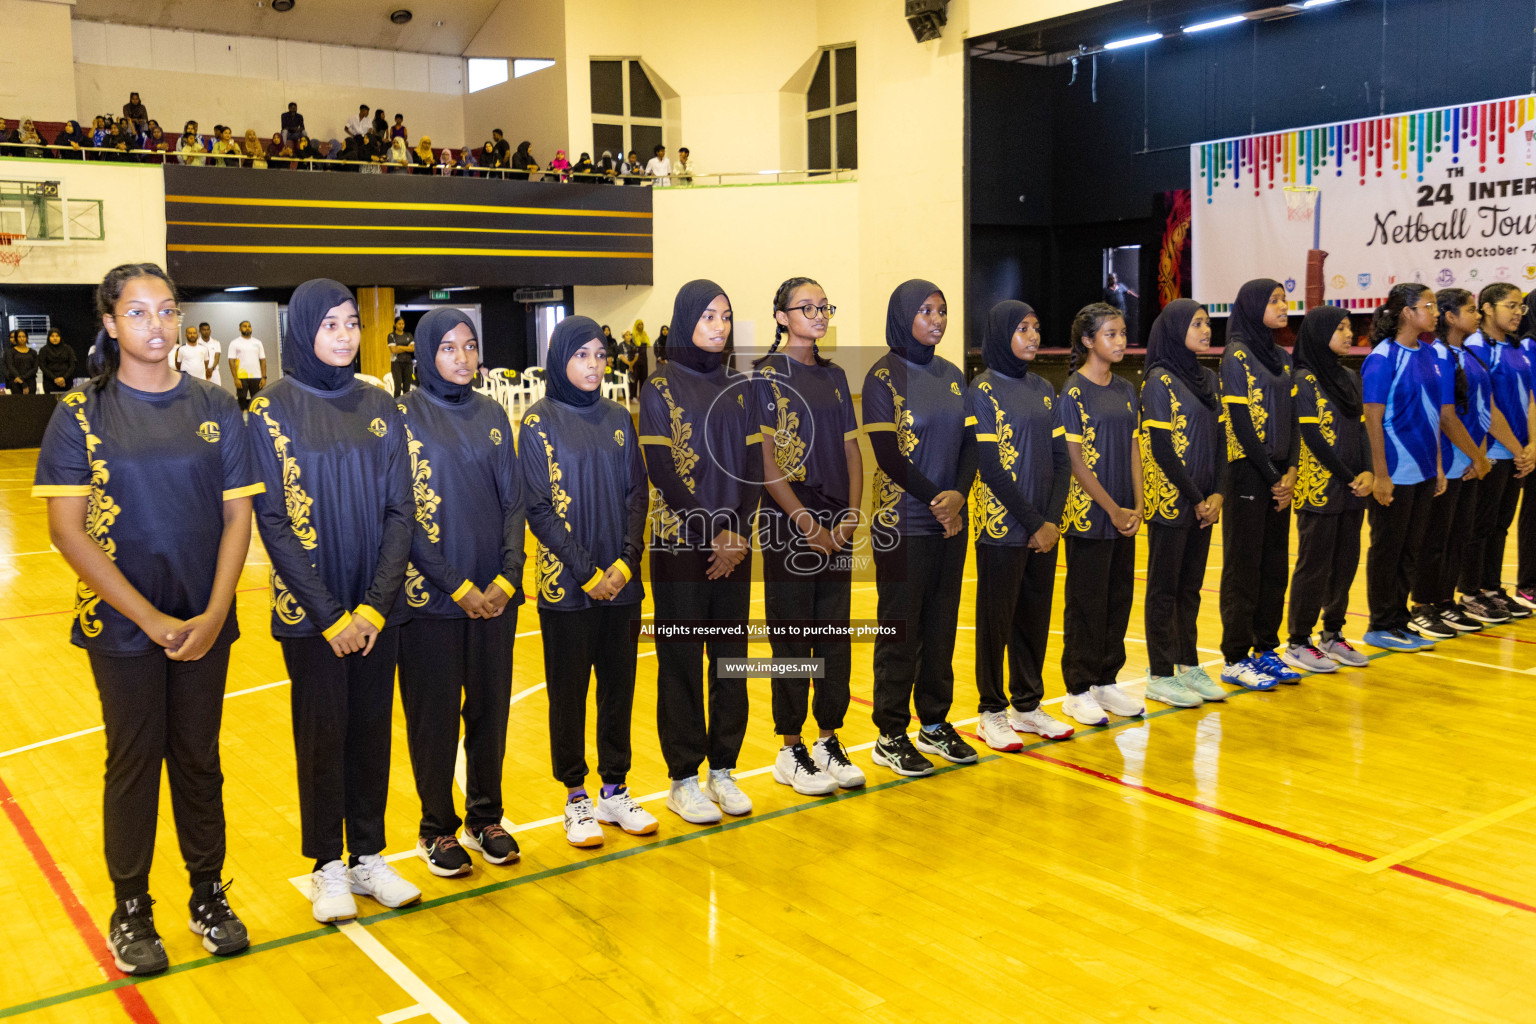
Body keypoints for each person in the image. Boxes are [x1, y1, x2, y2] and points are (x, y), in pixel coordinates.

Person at [33, 262, 258, 975]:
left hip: (205, 621)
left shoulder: (217, 407)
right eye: (137, 313)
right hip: (123, 628)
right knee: (133, 764)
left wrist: (216, 609)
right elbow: (68, 532)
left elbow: (236, 514)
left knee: (199, 761)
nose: (155, 325)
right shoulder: (81, 412)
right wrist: (152, 618)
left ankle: (207, 895)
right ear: (108, 322)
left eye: (166, 310)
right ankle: (131, 906)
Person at [248, 279, 419, 923]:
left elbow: (402, 509)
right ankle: (326, 865)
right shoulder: (271, 409)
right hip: (314, 616)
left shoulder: (382, 405)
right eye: (332, 325)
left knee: (372, 731)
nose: (346, 335)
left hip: (379, 612)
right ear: (303, 332)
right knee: (322, 737)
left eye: (352, 323)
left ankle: (369, 854)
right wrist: (332, 616)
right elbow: (273, 520)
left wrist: (374, 607)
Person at [397, 309, 526, 874]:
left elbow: (514, 503)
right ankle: (436, 827)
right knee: (435, 717)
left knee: (491, 713)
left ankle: (486, 815)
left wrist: (505, 578)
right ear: (426, 354)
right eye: (448, 347)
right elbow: (401, 517)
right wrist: (457, 587)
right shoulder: (401, 417)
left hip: (496, 599)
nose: (462, 357)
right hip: (432, 600)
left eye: (469, 346)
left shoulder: (494, 414)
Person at [522, 314, 654, 847]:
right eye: (582, 356)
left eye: (600, 356)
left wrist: (624, 563)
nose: (594, 365)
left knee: (619, 690)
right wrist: (589, 572)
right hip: (566, 590)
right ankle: (576, 798)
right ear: (560, 359)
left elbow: (636, 495)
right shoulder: (537, 423)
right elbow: (539, 509)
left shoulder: (620, 419)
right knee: (569, 694)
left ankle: (614, 790)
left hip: (621, 585)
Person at [641, 281, 762, 822]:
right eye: (708, 316)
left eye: (726, 316)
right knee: (683, 661)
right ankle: (684, 777)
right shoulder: (659, 388)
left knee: (730, 662)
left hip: (735, 545)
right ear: (686, 320)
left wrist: (735, 534)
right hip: (679, 548)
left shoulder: (743, 388)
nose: (719, 326)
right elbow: (664, 474)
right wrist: (715, 533)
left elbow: (756, 472)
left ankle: (724, 769)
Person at [753, 277, 869, 791]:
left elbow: (852, 450)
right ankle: (790, 747)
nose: (820, 315)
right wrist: (806, 523)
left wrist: (849, 516)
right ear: (782, 317)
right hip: (788, 522)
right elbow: (765, 461)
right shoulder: (762, 377)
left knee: (832, 635)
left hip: (836, 524)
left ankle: (827, 738)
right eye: (808, 307)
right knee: (793, 635)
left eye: (825, 307)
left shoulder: (837, 375)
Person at [863, 279, 978, 775]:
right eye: (926, 311)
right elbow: (887, 454)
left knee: (941, 627)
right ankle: (890, 733)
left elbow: (972, 445)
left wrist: (958, 495)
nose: (937, 319)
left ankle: (933, 722)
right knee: (901, 631)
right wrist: (938, 498)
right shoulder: (882, 377)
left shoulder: (955, 376)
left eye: (942, 311)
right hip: (903, 524)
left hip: (950, 524)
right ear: (904, 315)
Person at [966, 299, 1077, 750]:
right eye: (1022, 329)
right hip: (1002, 527)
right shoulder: (982, 389)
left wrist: (1050, 521)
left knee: (1034, 618)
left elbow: (1061, 460)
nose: (1032, 336)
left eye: (1035, 327)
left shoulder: (1044, 389)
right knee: (996, 620)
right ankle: (990, 710)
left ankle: (1027, 706)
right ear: (1001, 334)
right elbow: (990, 466)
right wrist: (1034, 522)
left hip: (1043, 531)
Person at [1056, 303, 1147, 726]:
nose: (1120, 341)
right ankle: (1077, 688)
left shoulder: (1127, 389)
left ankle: (1106, 679)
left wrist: (1140, 503)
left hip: (1124, 517)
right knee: (1085, 603)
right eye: (1110, 334)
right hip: (1089, 517)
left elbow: (1133, 450)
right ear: (1088, 341)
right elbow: (1075, 461)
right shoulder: (1073, 391)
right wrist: (1111, 508)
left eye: (1123, 333)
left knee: (1117, 599)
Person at [1138, 299, 1230, 705]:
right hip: (1173, 502)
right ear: (1176, 330)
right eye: (1197, 323)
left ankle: (1188, 664)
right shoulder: (1159, 380)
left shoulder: (1209, 379)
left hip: (1205, 504)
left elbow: (1225, 443)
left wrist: (1218, 496)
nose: (1206, 330)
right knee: (1164, 588)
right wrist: (1196, 497)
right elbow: (1161, 447)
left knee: (1191, 587)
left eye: (1208, 323)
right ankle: (1160, 673)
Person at [1360, 284, 1456, 651]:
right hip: (1394, 471)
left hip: (1425, 470)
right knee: (1388, 549)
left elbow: (1433, 417)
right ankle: (1379, 623)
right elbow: (1372, 419)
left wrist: (1438, 469)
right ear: (1406, 312)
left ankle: (1399, 619)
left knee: (1410, 550)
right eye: (1427, 305)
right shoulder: (1382, 358)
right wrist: (1381, 475)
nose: (1434, 312)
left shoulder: (1431, 354)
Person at [1218, 278, 1301, 689]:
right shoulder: (1236, 356)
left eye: (1284, 299)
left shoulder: (1282, 357)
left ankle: (1266, 647)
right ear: (1253, 307)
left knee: (1273, 566)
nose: (1284, 306)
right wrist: (1272, 476)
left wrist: (1291, 472)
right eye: (1274, 300)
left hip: (1280, 475)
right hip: (1249, 473)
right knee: (1243, 566)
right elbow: (1241, 424)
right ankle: (1235, 656)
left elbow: (1295, 418)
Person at [1285, 307, 1374, 671]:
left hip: (1353, 488)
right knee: (1314, 564)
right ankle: (1298, 640)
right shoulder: (1304, 379)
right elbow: (1312, 436)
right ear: (1319, 333)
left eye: (1350, 328)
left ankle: (1332, 633)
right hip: (1319, 486)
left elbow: (1362, 429)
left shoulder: (1350, 377)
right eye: (1339, 328)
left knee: (1345, 560)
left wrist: (1367, 470)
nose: (1348, 334)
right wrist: (1348, 475)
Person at [1413, 289, 1505, 633]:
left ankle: (1444, 600)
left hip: (1470, 459)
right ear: (1451, 318)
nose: (1477, 315)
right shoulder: (1437, 355)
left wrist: (1479, 455)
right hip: (1450, 459)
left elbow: (1481, 410)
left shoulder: (1468, 354)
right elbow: (1445, 417)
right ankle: (1422, 603)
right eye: (1470, 310)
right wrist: (1477, 456)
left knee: (1458, 536)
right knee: (1435, 538)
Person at [1462, 283, 1536, 622]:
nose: (1518, 312)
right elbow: (1486, 408)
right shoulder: (1476, 346)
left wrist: (1532, 445)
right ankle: (1470, 592)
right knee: (1480, 525)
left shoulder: (1517, 346)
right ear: (1488, 308)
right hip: (1492, 450)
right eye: (1510, 305)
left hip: (1518, 452)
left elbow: (1531, 400)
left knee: (1500, 525)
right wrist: (1520, 448)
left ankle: (1492, 589)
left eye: (1521, 306)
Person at [227, 321, 266, 411]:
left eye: (249, 326)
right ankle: (242, 422)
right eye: (244, 326)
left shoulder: (258, 342)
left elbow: (263, 360)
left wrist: (264, 377)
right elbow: (231, 361)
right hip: (241, 377)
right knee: (242, 402)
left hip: (257, 377)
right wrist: (235, 378)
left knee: (257, 402)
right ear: (240, 329)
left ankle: (256, 422)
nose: (247, 328)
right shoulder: (234, 343)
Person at [39, 328, 77, 393]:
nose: (55, 338)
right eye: (52, 336)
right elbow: (42, 366)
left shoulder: (68, 349)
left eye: (57, 336)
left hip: (66, 381)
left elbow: (72, 364)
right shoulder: (44, 350)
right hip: (49, 381)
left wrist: (63, 378)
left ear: (60, 337)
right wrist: (55, 379)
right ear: (48, 337)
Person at [387, 317, 415, 396]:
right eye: (399, 324)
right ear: (395, 324)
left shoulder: (408, 335)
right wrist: (407, 347)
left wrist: (399, 347)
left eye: (403, 324)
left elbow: (412, 349)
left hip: (408, 363)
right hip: (396, 363)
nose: (401, 325)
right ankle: (396, 406)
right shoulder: (391, 336)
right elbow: (394, 350)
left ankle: (406, 406)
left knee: (407, 388)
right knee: (398, 388)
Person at [199, 322, 223, 387]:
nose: (206, 331)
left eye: (208, 329)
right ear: (200, 331)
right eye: (204, 330)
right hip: (201, 372)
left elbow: (217, 358)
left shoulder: (216, 343)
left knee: (217, 391)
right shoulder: (197, 343)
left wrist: (211, 369)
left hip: (214, 371)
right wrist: (206, 370)